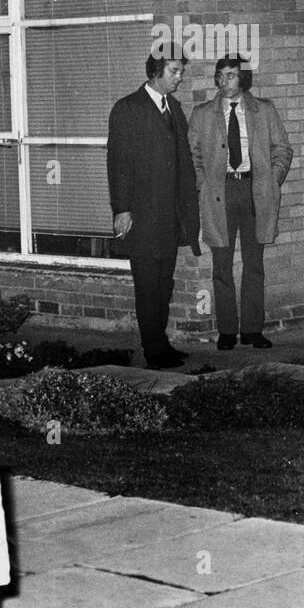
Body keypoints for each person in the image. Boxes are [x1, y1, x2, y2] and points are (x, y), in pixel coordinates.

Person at [188, 56, 293, 350]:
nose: (224, 82)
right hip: (219, 195)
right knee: (221, 265)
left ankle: (251, 329)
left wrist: (272, 180)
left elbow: (282, 149)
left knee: (253, 264)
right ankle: (226, 331)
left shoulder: (264, 111)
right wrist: (203, 185)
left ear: (243, 79)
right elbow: (192, 155)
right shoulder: (203, 114)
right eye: (220, 76)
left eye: (231, 76)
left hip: (254, 191)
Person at [107, 46, 201, 369]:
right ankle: (153, 349)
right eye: (174, 71)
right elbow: (118, 163)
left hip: (169, 217)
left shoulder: (174, 108)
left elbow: (184, 165)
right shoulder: (128, 109)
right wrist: (122, 208)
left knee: (164, 283)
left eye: (181, 71)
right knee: (147, 284)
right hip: (142, 217)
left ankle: (161, 342)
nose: (180, 77)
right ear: (156, 71)